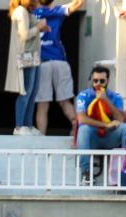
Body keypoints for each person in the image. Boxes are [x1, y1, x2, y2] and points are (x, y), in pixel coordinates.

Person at [33, 0, 83, 135]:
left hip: (42, 63)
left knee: (42, 105)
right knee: (65, 101)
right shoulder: (55, 11)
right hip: (59, 61)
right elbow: (78, 4)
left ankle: (41, 137)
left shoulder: (31, 13)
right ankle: (75, 127)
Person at [75, 65, 126, 184]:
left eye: (102, 81)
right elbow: (82, 119)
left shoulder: (116, 97)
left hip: (110, 136)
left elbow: (120, 119)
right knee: (83, 129)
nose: (98, 84)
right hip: (92, 137)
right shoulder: (84, 96)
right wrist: (106, 125)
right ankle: (86, 172)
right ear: (91, 81)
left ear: (108, 81)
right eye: (95, 81)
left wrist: (106, 101)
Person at [6, 0, 48, 136]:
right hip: (25, 56)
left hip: (33, 55)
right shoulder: (21, 11)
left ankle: (28, 125)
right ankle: (19, 126)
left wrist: (39, 27)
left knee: (33, 91)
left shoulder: (27, 12)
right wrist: (39, 27)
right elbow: (24, 34)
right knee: (25, 92)